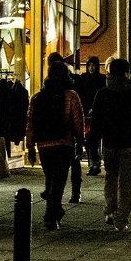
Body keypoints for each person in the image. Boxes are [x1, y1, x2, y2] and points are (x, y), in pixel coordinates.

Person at [87, 58, 131, 231]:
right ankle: (121, 219)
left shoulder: (103, 93)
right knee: (127, 182)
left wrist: (93, 141)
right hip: (129, 142)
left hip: (109, 142)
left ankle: (110, 210)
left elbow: (97, 121)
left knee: (111, 176)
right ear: (126, 73)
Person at [26, 61, 85, 230]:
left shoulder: (37, 97)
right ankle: (51, 216)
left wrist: (30, 147)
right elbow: (77, 121)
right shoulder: (71, 96)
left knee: (51, 179)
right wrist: (80, 142)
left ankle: (55, 211)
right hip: (63, 144)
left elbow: (30, 123)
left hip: (44, 145)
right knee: (58, 183)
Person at [47, 52, 84, 202]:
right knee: (73, 165)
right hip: (67, 137)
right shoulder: (71, 90)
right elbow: (77, 117)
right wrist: (80, 140)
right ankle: (74, 193)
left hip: (48, 138)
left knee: (52, 172)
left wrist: (31, 144)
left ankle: (52, 197)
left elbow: (32, 117)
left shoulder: (45, 90)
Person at [77, 56, 107, 175]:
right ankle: (93, 163)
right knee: (88, 140)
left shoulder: (101, 79)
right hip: (85, 113)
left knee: (93, 139)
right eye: (89, 65)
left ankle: (95, 164)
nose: (91, 68)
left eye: (93, 65)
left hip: (97, 114)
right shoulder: (83, 79)